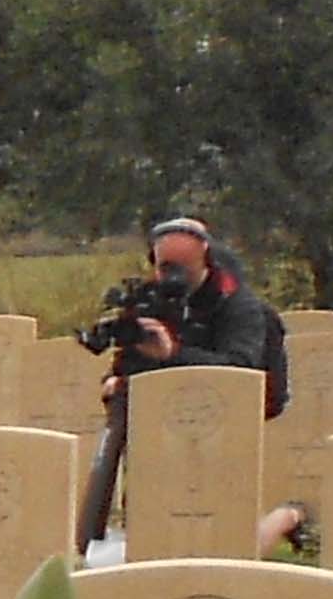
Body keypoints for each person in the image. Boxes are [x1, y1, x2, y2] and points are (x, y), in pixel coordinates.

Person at [78, 211, 285, 549]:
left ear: (206, 260)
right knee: (151, 512)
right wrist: (117, 380)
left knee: (215, 528)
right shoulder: (151, 303)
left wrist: (173, 354)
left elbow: (242, 371)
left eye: (181, 267)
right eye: (163, 267)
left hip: (218, 430)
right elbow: (127, 364)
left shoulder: (239, 307)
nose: (170, 277)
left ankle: (287, 517)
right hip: (156, 430)